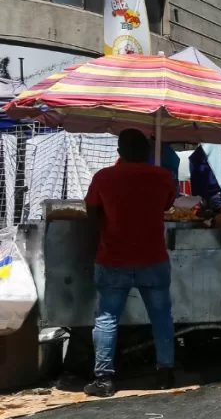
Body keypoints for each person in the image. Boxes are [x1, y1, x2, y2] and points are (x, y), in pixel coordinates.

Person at [84, 129, 178, 397]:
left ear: (119, 151)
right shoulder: (161, 176)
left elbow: (91, 210)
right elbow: (167, 205)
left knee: (107, 318)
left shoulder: (103, 177)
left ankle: (104, 379)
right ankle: (165, 371)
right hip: (154, 258)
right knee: (161, 317)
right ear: (147, 153)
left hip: (113, 257)